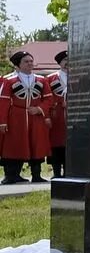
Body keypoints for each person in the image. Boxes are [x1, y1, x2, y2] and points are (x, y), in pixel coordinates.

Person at [2, 51, 50, 184]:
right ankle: (11, 175)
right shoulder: (8, 80)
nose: (30, 63)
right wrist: (3, 122)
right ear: (18, 65)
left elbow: (48, 99)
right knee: (14, 145)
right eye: (26, 61)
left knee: (37, 145)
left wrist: (39, 109)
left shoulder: (41, 80)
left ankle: (36, 175)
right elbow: (4, 101)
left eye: (31, 61)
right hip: (16, 117)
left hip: (36, 118)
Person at [41, 51, 68, 179]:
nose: (68, 63)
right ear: (60, 63)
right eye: (65, 60)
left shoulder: (81, 75)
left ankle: (69, 171)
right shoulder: (51, 78)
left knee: (71, 143)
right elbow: (46, 97)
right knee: (56, 142)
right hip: (56, 114)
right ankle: (56, 172)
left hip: (75, 114)